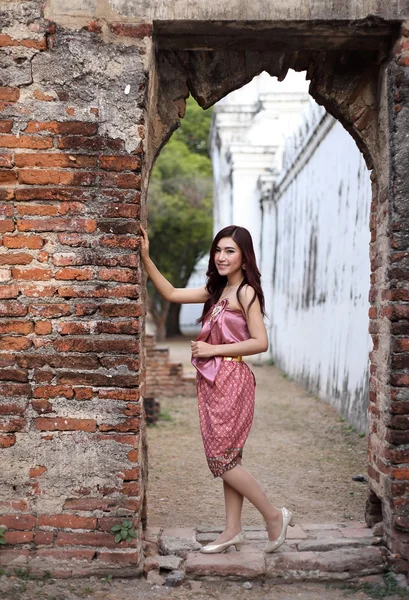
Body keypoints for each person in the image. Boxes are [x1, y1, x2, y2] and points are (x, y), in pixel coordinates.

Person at [140, 224, 294, 554]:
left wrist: (213, 350)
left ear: (243, 256)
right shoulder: (216, 291)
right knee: (228, 457)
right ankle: (232, 529)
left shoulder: (245, 293)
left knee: (221, 458)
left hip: (233, 378)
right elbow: (170, 293)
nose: (221, 257)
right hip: (212, 381)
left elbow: (261, 342)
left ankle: (273, 516)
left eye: (230, 251)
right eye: (218, 250)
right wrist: (146, 258)